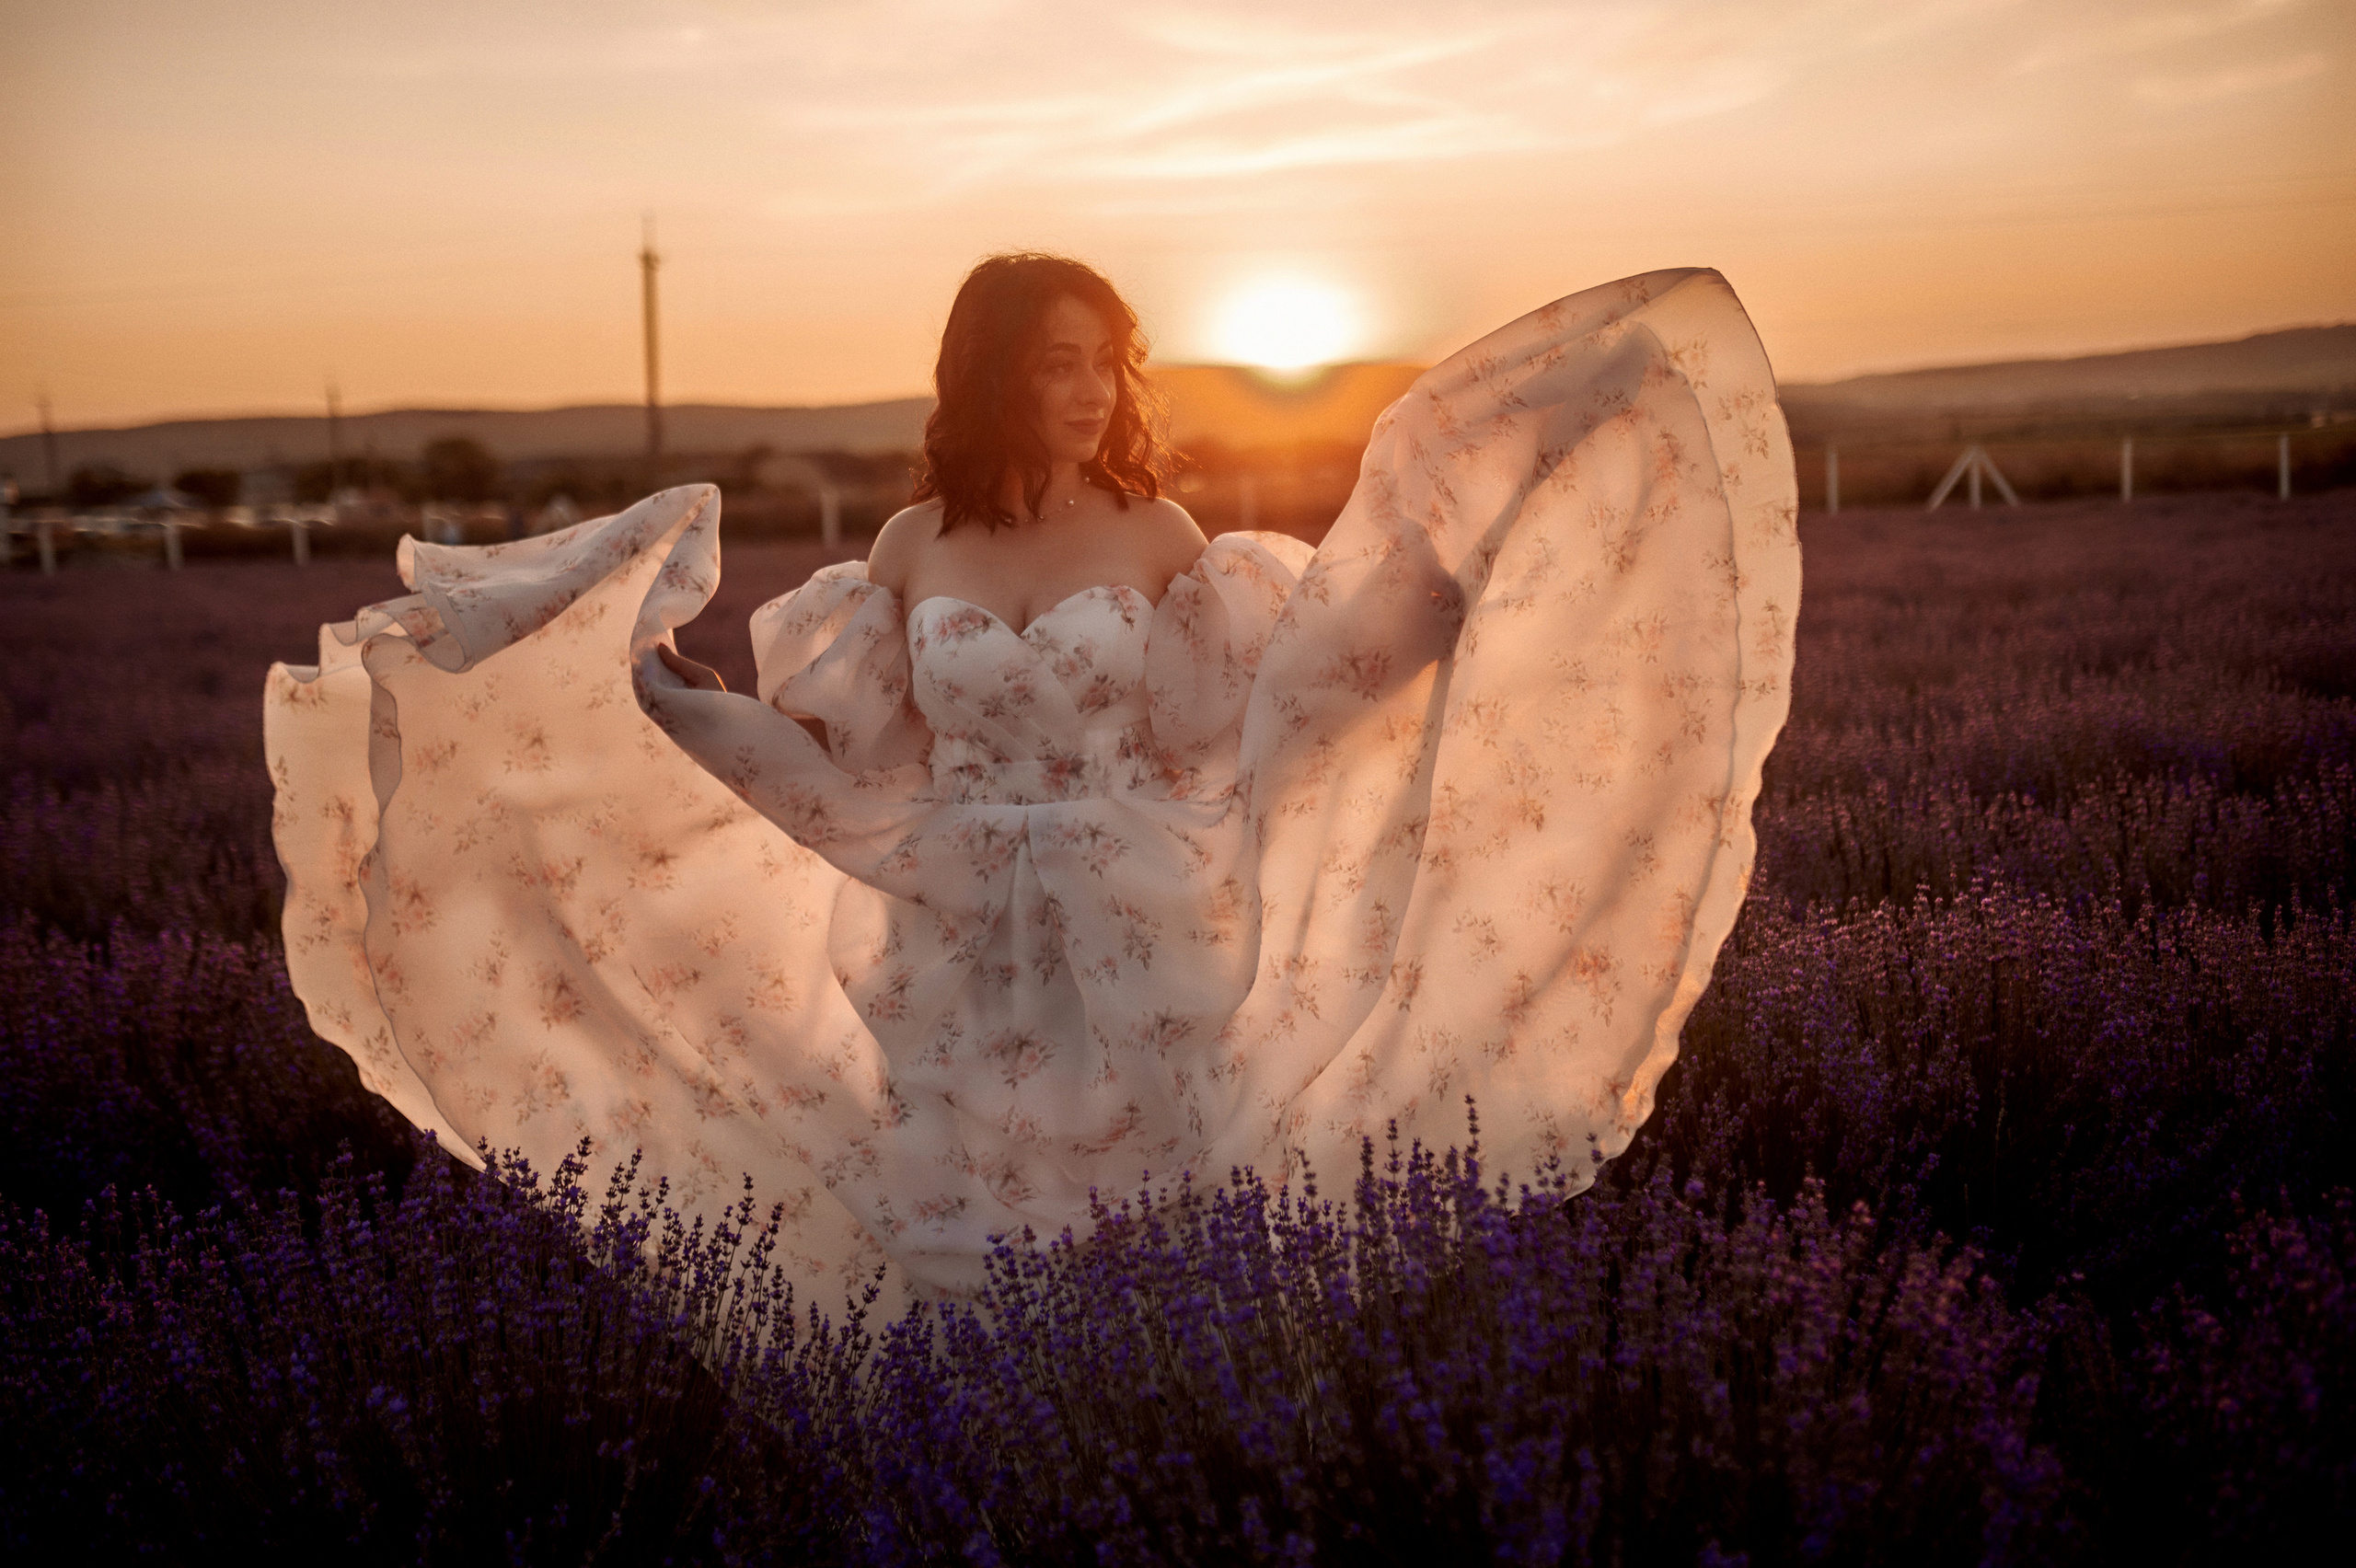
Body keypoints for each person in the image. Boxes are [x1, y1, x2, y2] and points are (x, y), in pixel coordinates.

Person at [266, 256, 1800, 1312]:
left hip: (1139, 910)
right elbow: (860, 771)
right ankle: (989, 1458)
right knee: (959, 1201)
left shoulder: (1160, 539)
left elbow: (1267, 714)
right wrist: (657, 707)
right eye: (1053, 362)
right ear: (992, 373)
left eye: (1103, 360)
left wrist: (1450, 598)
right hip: (948, 918)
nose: (1086, 388)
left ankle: (1172, 1429)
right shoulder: (910, 547)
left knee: (1161, 1191)